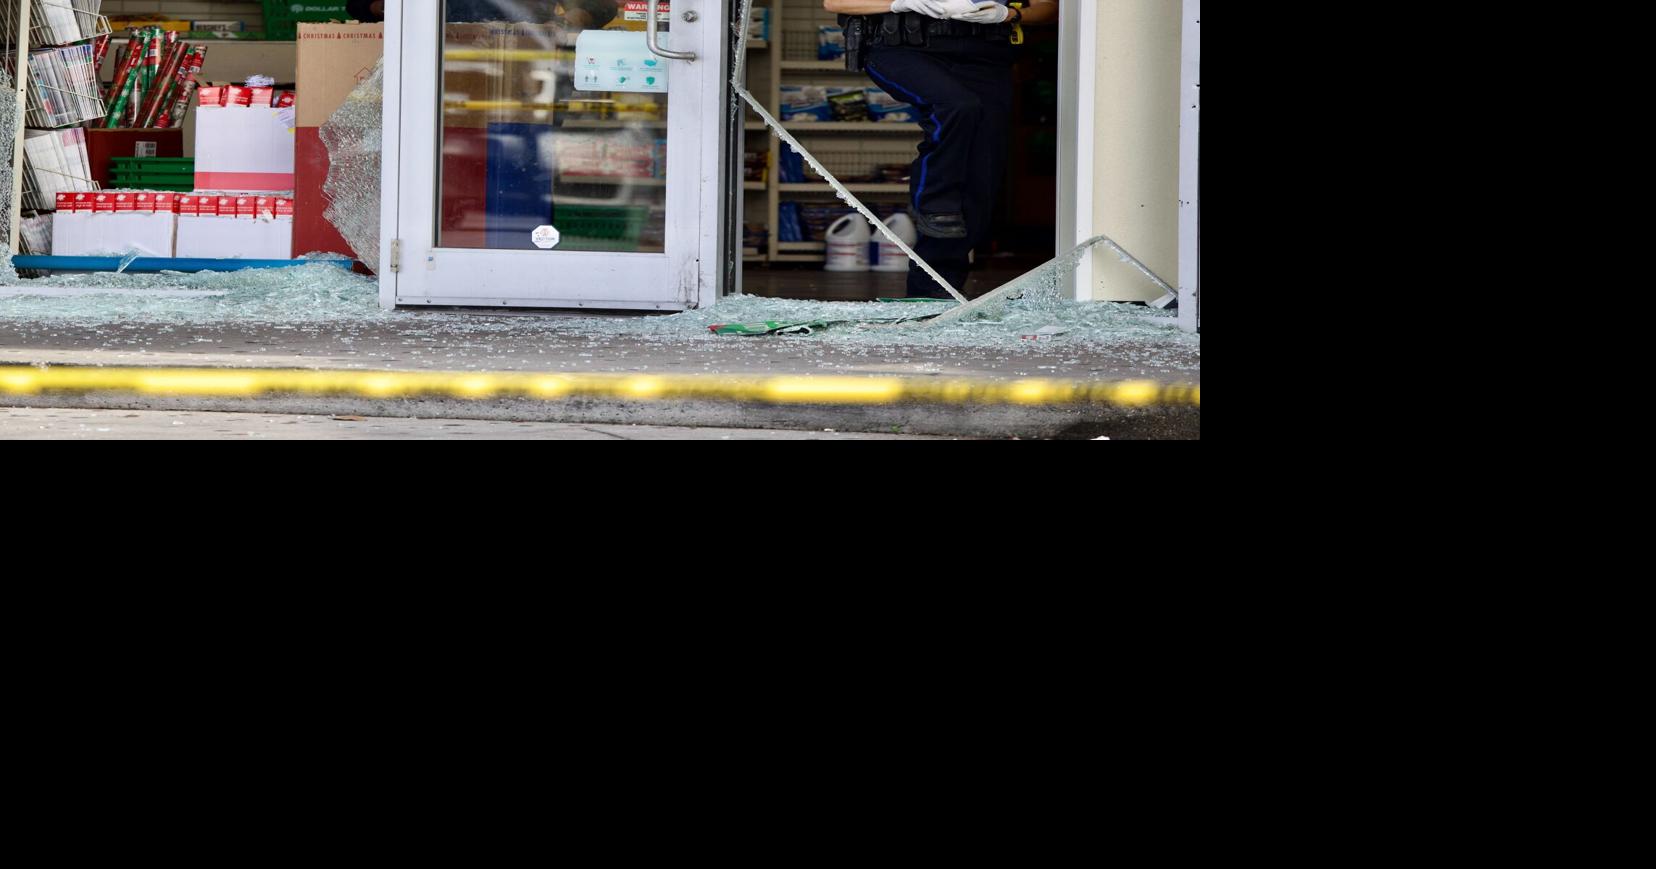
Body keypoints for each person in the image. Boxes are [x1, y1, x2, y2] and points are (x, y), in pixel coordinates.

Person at [825, 0, 1057, 298]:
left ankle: (933, 295)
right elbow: (836, 2)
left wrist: (1008, 13)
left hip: (984, 57)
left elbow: (1050, 8)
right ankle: (935, 203)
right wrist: (900, 3)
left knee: (980, 175)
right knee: (954, 105)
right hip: (902, 50)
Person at [345, 0, 620, 28]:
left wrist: (577, 16)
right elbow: (358, 6)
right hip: (434, 69)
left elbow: (602, 5)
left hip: (527, 60)